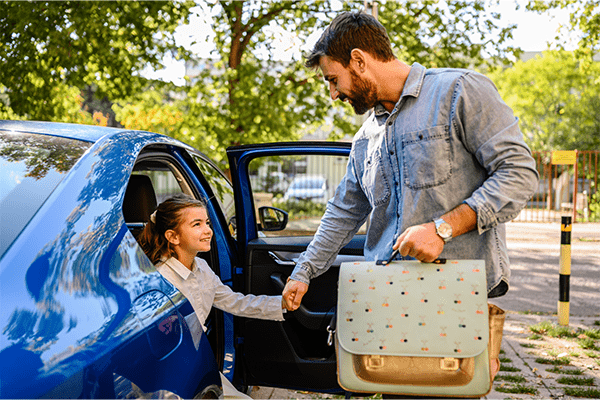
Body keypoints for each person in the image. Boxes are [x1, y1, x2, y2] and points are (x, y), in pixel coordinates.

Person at [281, 11, 539, 374]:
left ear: (359, 61)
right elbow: (342, 213)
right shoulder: (364, 139)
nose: (333, 93)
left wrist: (442, 229)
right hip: (390, 301)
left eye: (333, 79)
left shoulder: (459, 91)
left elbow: (519, 174)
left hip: (457, 299)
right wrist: (303, 271)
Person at [138, 193, 285, 398]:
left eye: (207, 223)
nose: (208, 230)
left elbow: (235, 301)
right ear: (173, 236)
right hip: (167, 376)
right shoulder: (161, 279)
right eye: (196, 224)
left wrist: (282, 304)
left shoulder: (203, 268)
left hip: (196, 366)